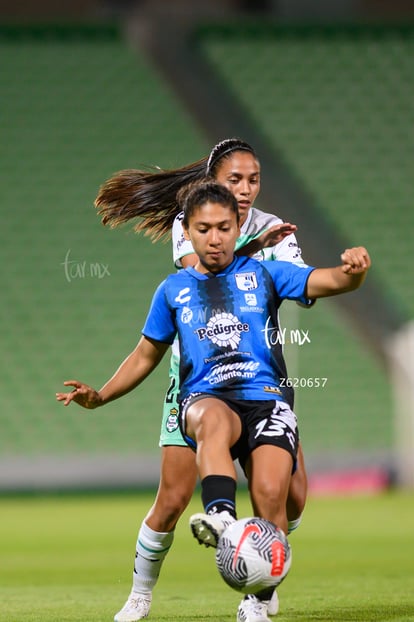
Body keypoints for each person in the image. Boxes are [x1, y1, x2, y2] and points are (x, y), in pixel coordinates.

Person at [57, 181, 371, 622]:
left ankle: (257, 601)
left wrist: (353, 271)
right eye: (204, 229)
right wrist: (101, 395)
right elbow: (147, 353)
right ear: (188, 230)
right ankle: (221, 516)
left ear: (237, 225)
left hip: (266, 401)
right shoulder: (173, 290)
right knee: (210, 419)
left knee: (271, 496)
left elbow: (330, 280)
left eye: (224, 227)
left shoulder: (264, 274)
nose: (215, 237)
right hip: (208, 398)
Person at [94, 138, 308, 620]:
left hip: (259, 373)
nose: (246, 189)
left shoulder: (276, 227)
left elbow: (298, 279)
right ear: (213, 184)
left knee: (290, 495)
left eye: (253, 179)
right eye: (235, 180)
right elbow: (209, 272)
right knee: (171, 497)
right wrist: (252, 247)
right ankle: (141, 594)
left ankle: (259, 564)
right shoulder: (191, 222)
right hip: (199, 375)